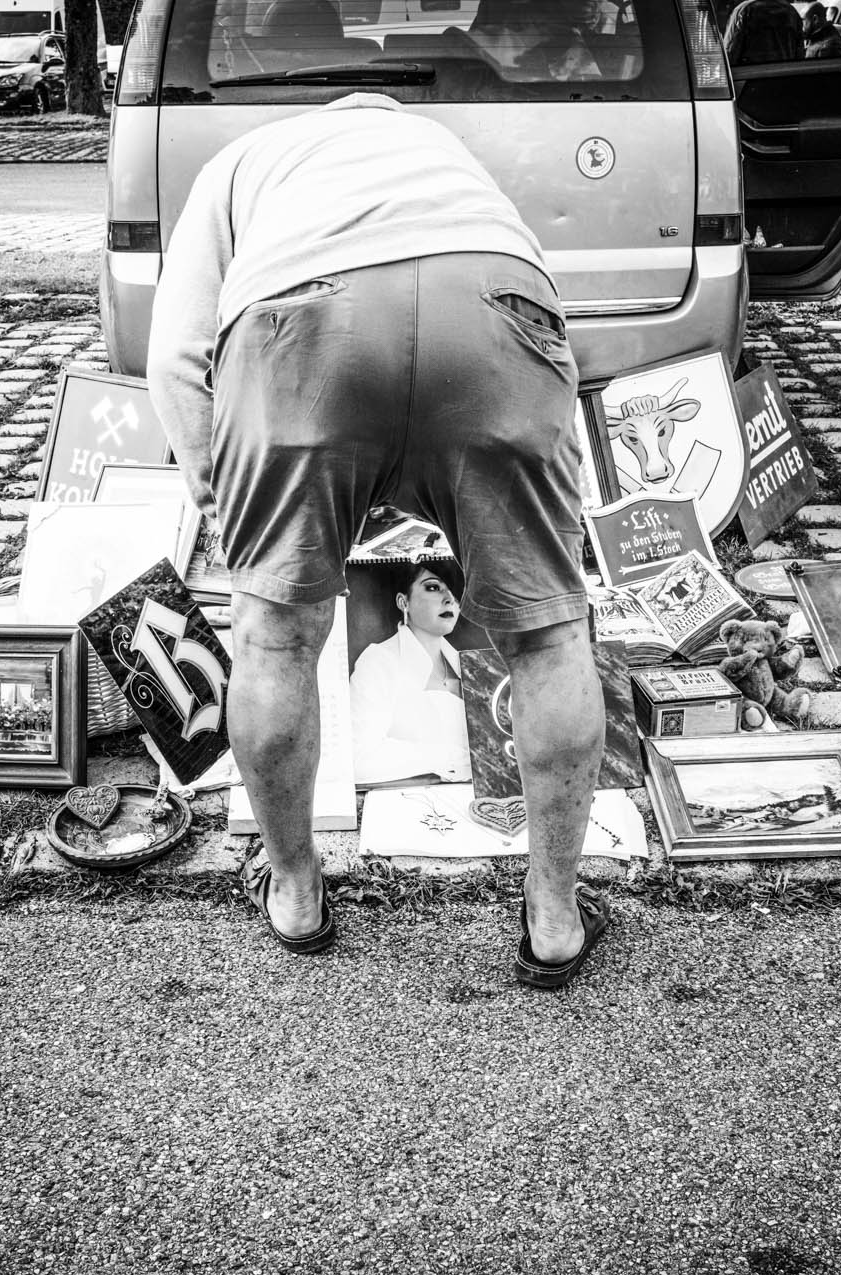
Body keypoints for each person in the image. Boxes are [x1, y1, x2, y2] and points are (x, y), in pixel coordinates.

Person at [147, 93, 608, 988]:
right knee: (552, 636)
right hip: (491, 312)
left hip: (300, 325)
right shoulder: (446, 157)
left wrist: (223, 501)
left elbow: (174, 356)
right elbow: (543, 315)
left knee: (273, 640)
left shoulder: (246, 163)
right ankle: (554, 918)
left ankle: (295, 893)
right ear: (391, 117)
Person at [349, 561, 472, 787]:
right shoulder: (379, 662)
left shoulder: (473, 667)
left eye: (454, 589)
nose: (449, 598)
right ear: (403, 601)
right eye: (433, 587)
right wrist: (455, 759)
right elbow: (358, 760)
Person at [723, 0, 803, 65]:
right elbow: (799, 55)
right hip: (785, 76)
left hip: (752, 78)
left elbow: (729, 54)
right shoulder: (792, 11)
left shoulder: (744, 10)